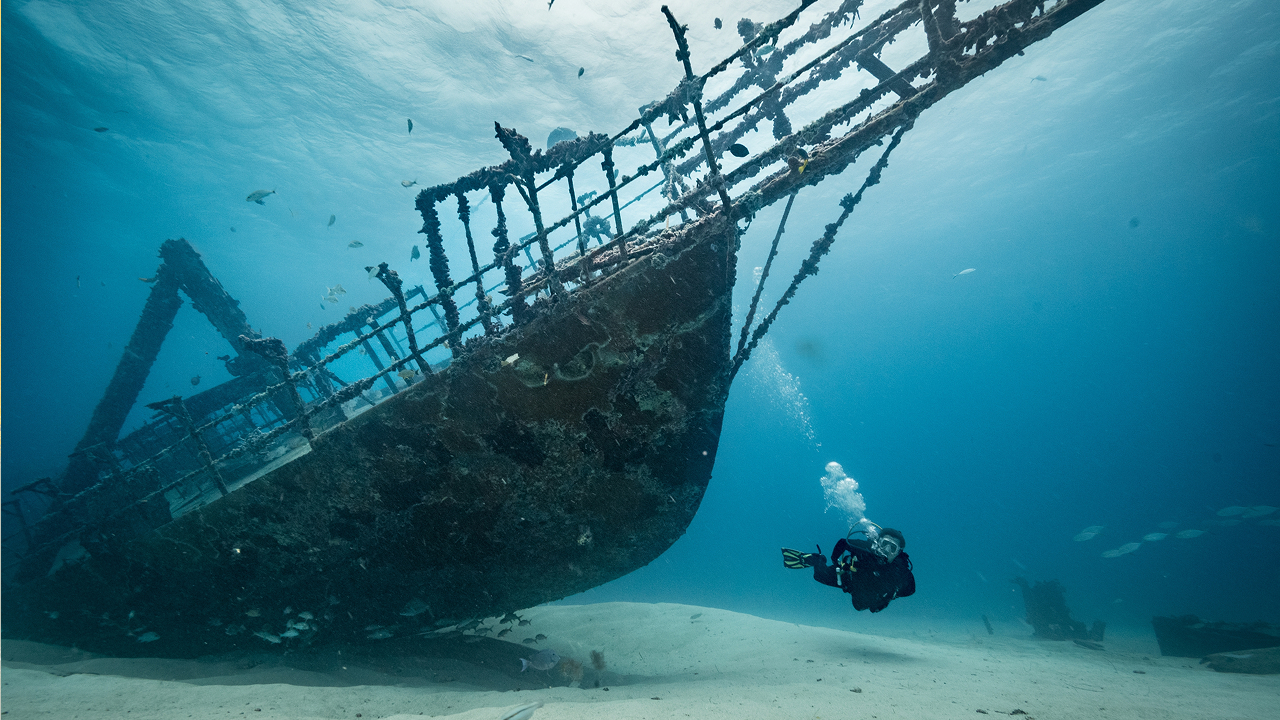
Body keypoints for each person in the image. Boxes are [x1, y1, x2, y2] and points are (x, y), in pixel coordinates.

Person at [782, 527, 915, 613]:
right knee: (819, 576)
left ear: (898, 553)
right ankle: (816, 559)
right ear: (878, 542)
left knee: (862, 605)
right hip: (849, 578)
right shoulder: (865, 548)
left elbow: (911, 589)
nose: (886, 550)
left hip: (869, 595)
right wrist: (835, 561)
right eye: (885, 543)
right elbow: (843, 543)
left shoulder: (899, 569)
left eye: (892, 548)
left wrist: (893, 593)